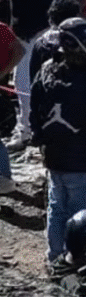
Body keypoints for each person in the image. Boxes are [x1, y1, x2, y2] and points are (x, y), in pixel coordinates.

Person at [30, 18, 86, 264]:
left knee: (56, 207)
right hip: (82, 161)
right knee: (78, 213)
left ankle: (54, 256)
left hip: (53, 156)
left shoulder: (46, 72)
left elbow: (34, 109)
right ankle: (74, 258)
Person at [8, 0, 86, 152]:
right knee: (21, 83)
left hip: (48, 33)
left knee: (53, 84)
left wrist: (68, 23)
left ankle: (54, 130)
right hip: (22, 34)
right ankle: (26, 131)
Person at [29, 0, 82, 83]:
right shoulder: (82, 44)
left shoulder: (41, 43)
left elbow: (34, 79)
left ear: (50, 20)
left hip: (46, 92)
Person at [0, 22, 25, 194]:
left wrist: (2, 74)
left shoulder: (1, 29)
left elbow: (20, 51)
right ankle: (5, 179)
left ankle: (5, 179)